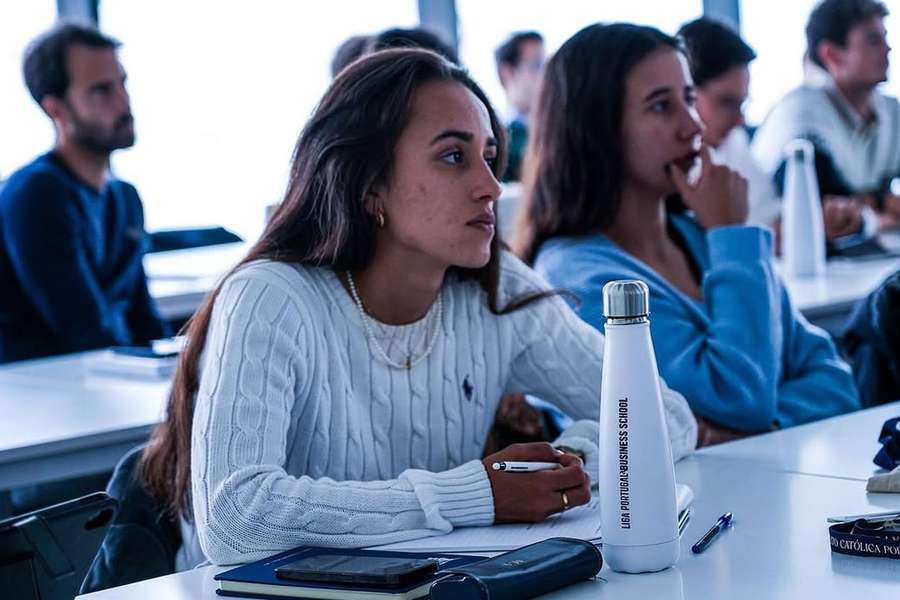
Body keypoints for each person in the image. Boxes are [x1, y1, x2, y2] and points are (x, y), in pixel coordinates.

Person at [139, 48, 698, 568]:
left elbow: (667, 418)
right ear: (369, 186)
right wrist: (476, 495)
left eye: (490, 157)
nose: (490, 187)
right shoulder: (270, 298)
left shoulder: (495, 290)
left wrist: (569, 463)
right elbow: (235, 519)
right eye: (453, 157)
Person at [515, 23, 859, 444]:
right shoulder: (578, 278)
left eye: (690, 99)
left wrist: (763, 427)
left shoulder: (699, 236)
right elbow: (740, 398)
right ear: (595, 128)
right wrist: (733, 235)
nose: (694, 127)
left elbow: (834, 378)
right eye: (661, 106)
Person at [0, 22, 168, 363]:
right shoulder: (37, 195)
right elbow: (84, 330)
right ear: (56, 109)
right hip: (47, 395)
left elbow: (144, 320)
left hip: (106, 381)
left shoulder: (125, 198)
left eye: (123, 84)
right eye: (101, 91)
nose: (123, 103)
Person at [751, 0, 900, 234]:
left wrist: (875, 203)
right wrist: (882, 201)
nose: (888, 48)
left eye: (885, 37)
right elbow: (824, 207)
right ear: (832, 55)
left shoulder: (890, 110)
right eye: (873, 40)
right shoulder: (803, 111)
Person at [494, 31, 545, 182]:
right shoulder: (496, 136)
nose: (545, 74)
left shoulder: (557, 127)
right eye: (536, 65)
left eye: (547, 65)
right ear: (508, 72)